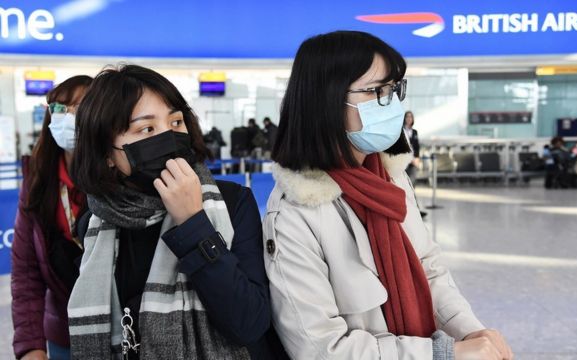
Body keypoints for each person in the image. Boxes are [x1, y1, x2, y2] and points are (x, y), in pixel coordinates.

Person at [264, 31, 512, 360]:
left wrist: (470, 332)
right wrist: (440, 354)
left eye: (394, 89)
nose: (392, 103)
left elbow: (428, 269)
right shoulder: (294, 212)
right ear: (327, 100)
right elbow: (318, 347)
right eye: (376, 91)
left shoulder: (390, 178)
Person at [70, 65, 286, 359]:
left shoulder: (233, 202)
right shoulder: (97, 225)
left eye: (175, 122)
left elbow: (249, 324)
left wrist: (194, 223)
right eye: (146, 129)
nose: (168, 139)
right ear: (107, 154)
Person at [11, 75, 93, 360]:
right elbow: (26, 273)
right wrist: (31, 347)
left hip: (119, 332)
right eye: (60, 108)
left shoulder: (119, 178)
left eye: (79, 108)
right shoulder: (38, 182)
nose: (68, 117)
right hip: (63, 333)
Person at [403, 111, 420, 184]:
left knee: (413, 180)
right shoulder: (401, 131)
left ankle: (412, 195)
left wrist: (417, 158)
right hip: (403, 159)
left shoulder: (415, 132)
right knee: (404, 181)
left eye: (411, 117)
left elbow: (417, 147)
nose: (409, 118)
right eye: (407, 116)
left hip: (413, 160)